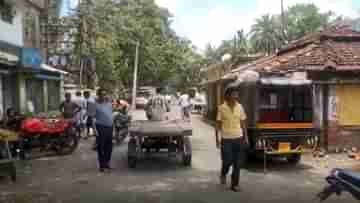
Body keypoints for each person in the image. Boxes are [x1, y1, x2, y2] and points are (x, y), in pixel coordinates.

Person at [215, 87, 248, 192]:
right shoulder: (222, 108)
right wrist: (217, 139)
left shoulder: (240, 107)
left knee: (237, 163)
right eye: (234, 94)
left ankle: (235, 184)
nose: (236, 97)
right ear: (228, 95)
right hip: (226, 139)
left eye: (237, 95)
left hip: (238, 138)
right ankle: (223, 173)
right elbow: (218, 125)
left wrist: (245, 137)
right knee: (227, 161)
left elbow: (243, 123)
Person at [92, 88, 113, 172]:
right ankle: (102, 166)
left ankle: (107, 163)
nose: (103, 96)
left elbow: (111, 116)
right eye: (102, 94)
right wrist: (95, 130)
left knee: (109, 147)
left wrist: (113, 129)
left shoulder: (109, 104)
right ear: (98, 95)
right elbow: (93, 118)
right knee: (101, 148)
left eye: (105, 94)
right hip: (100, 128)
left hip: (110, 127)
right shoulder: (95, 105)